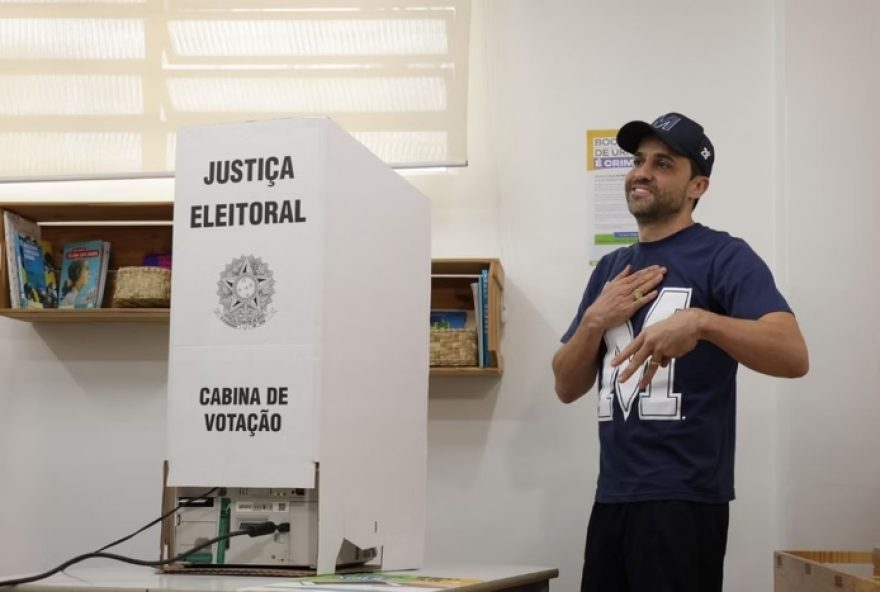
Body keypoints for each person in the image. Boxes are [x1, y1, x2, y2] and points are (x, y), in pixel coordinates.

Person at [552, 112, 809, 592]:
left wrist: (703, 323)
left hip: (684, 500)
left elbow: (793, 354)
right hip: (612, 497)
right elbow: (566, 385)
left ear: (698, 186)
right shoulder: (611, 267)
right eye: (638, 160)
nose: (642, 172)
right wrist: (593, 321)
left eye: (664, 163)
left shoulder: (724, 256)